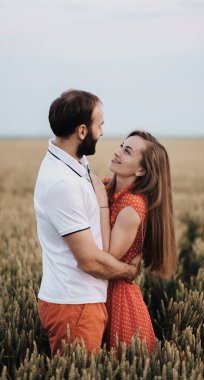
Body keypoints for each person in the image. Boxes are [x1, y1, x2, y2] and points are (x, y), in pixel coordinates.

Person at [34, 90, 141, 357]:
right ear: (82, 130)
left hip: (83, 302)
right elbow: (90, 261)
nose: (103, 132)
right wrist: (128, 272)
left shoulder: (76, 161)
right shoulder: (62, 183)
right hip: (75, 306)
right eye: (99, 125)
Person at [91, 130, 178, 354]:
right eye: (121, 145)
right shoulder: (109, 187)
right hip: (95, 293)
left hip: (117, 302)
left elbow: (106, 257)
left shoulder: (132, 206)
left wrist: (101, 202)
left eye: (127, 151)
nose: (117, 152)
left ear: (141, 170)